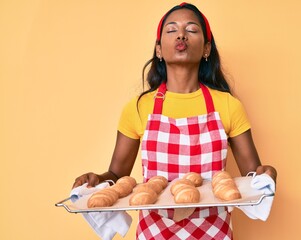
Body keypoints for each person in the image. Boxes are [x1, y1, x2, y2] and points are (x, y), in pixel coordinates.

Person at [73, 2, 277, 239]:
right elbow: (117, 176)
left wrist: (267, 176)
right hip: (154, 231)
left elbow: (252, 177)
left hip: (214, 231)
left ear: (206, 48)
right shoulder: (139, 108)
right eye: (171, 30)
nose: (181, 34)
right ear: (159, 49)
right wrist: (97, 180)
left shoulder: (228, 105)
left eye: (191, 29)